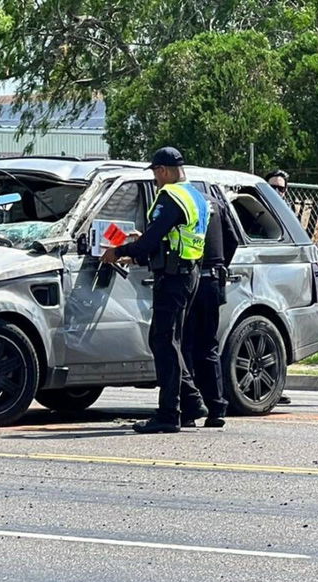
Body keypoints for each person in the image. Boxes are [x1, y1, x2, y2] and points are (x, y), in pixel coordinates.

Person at [101, 146, 207, 433]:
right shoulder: (196, 195)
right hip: (189, 273)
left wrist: (119, 250)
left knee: (163, 342)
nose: (156, 180)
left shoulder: (170, 196)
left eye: (156, 174)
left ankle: (168, 414)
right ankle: (192, 402)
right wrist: (141, 244)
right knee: (170, 341)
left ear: (162, 170)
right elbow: (168, 237)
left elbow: (151, 242)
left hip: (173, 278)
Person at [181, 186, 239, 428]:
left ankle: (190, 410)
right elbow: (233, 239)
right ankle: (216, 408)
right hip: (214, 279)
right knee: (209, 346)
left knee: (185, 345)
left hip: (191, 278)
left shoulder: (180, 201)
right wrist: (219, 263)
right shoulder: (215, 202)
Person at [263, 169, 293, 406]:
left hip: (282, 281)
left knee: (279, 335)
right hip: (261, 278)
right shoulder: (255, 211)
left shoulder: (287, 215)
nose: (276, 192)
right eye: (271, 187)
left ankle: (276, 386)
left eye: (280, 188)